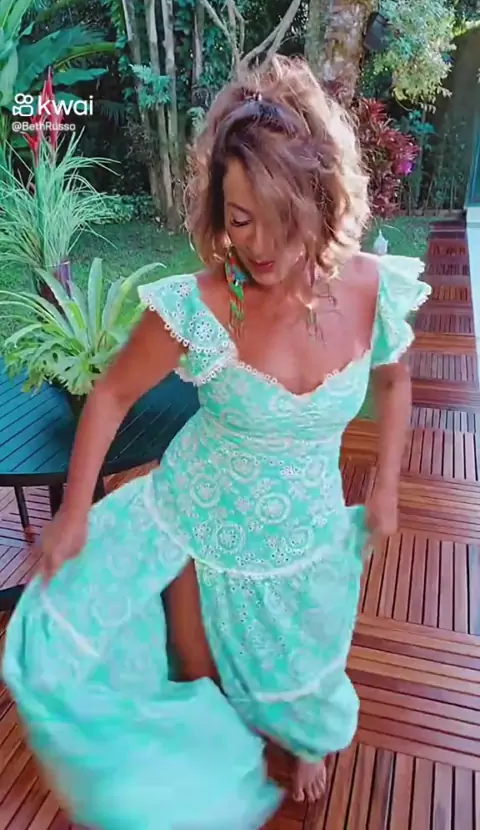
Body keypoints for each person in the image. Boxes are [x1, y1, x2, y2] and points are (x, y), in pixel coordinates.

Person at [2, 55, 431, 829]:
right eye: (238, 219)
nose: (255, 245)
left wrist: (389, 489)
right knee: (199, 681)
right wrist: (73, 513)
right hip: (196, 523)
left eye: (276, 217)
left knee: (307, 654)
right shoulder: (198, 307)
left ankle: (303, 739)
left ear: (320, 198)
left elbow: (395, 382)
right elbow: (112, 393)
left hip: (304, 525)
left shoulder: (371, 287)